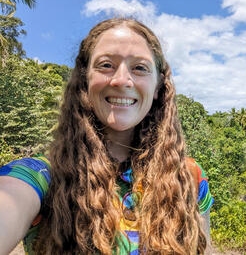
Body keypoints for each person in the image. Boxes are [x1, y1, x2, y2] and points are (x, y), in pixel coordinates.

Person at [0, 18, 213, 254]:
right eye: (105, 65)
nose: (121, 80)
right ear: (84, 79)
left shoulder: (189, 179)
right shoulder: (43, 176)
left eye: (140, 68)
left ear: (158, 87)